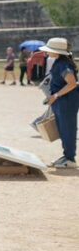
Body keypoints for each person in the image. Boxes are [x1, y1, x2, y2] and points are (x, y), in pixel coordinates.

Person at [42, 38, 79, 169]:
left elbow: (72, 83)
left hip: (66, 101)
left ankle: (70, 158)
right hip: (62, 100)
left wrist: (56, 95)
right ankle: (67, 155)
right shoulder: (59, 62)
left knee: (68, 129)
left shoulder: (64, 64)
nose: (47, 52)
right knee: (63, 129)